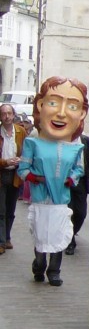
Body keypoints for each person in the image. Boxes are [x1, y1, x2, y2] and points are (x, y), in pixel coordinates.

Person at [17, 76, 88, 286]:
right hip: (41, 199)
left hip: (61, 201)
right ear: (40, 105)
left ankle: (54, 271)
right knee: (41, 235)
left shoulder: (76, 147)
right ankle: (39, 266)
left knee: (59, 235)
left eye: (72, 105)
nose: (61, 112)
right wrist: (34, 178)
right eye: (53, 102)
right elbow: (23, 169)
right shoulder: (33, 143)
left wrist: (70, 180)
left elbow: (78, 170)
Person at [0, 104, 26, 254]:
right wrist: (5, 162)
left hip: (15, 174)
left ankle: (7, 237)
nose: (7, 117)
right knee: (1, 210)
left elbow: (27, 151)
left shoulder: (20, 131)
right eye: (4, 114)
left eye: (9, 113)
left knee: (11, 209)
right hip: (1, 174)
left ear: (13, 115)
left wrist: (21, 159)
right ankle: (1, 242)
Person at [66, 134, 89, 255]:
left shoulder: (85, 140)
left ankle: (70, 233)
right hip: (65, 181)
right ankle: (70, 241)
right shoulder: (63, 138)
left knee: (81, 213)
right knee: (68, 212)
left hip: (81, 181)